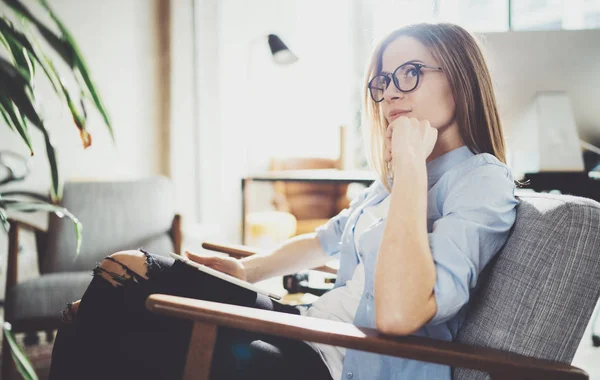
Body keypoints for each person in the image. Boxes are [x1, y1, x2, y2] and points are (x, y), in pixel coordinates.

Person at [49, 22, 519, 380]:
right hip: (308, 324)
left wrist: (413, 167)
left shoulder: (481, 182)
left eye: (409, 74)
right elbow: (323, 239)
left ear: (459, 79)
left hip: (344, 363)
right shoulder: (390, 183)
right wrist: (247, 271)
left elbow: (400, 315)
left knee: (97, 326)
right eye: (382, 82)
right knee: (124, 270)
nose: (390, 92)